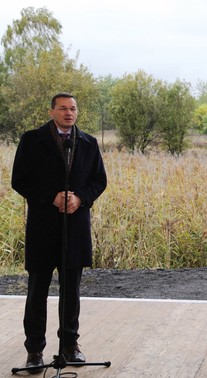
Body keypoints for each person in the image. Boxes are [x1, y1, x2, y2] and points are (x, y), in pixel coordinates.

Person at [11, 92, 107, 371]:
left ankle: (69, 346)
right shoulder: (32, 139)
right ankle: (34, 351)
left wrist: (81, 198)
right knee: (36, 292)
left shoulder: (88, 142)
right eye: (63, 108)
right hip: (42, 226)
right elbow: (20, 180)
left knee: (71, 293)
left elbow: (99, 180)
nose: (69, 113)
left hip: (74, 227)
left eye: (73, 108)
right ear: (52, 111)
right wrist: (49, 197)